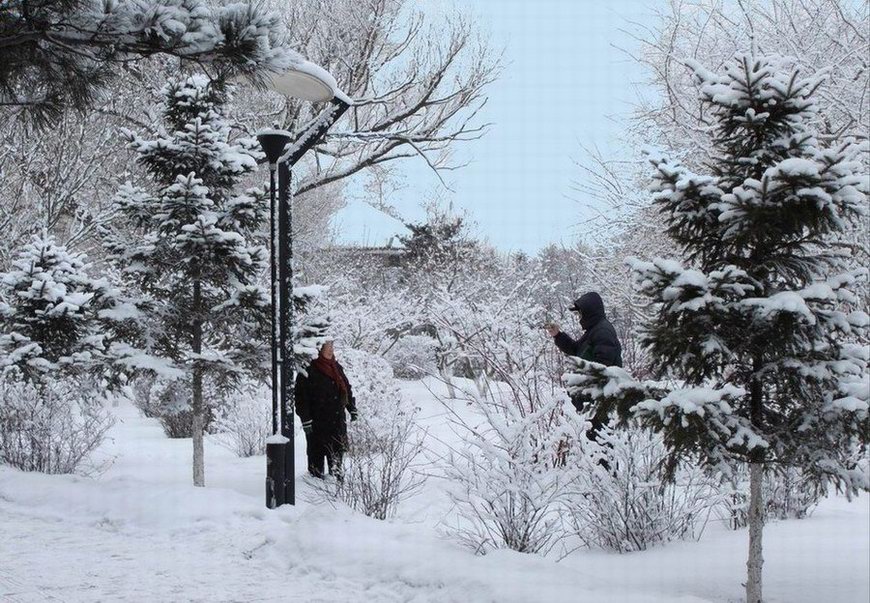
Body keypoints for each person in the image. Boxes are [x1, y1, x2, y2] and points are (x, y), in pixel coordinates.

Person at [546, 291, 623, 438]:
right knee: (594, 443)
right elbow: (577, 351)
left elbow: (601, 367)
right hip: (594, 399)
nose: (579, 318)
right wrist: (558, 335)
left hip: (600, 400)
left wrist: (580, 383)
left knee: (600, 443)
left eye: (580, 314)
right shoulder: (594, 330)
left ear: (589, 312)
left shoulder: (602, 331)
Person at [295, 340, 358, 479]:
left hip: (337, 422)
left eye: (332, 346)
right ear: (319, 349)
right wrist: (306, 420)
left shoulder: (336, 367)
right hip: (317, 423)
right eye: (327, 347)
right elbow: (301, 398)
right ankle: (313, 490)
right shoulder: (308, 369)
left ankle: (336, 489)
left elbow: (346, 389)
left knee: (336, 460)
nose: (330, 350)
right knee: (316, 461)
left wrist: (351, 408)